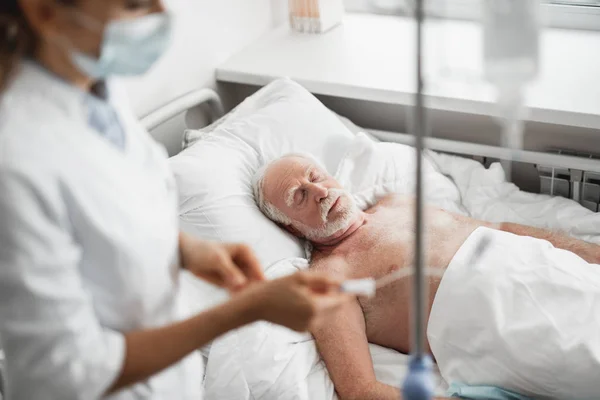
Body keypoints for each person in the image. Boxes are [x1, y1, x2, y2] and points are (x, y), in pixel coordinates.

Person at [0, 1, 351, 399]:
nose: (158, 15)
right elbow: (69, 370)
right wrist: (245, 311)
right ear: (45, 11)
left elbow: (116, 209)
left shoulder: (94, 88)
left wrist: (188, 249)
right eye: (134, 5)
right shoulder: (17, 163)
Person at [253, 153, 600, 400]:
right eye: (300, 196)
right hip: (505, 324)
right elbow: (362, 391)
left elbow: (503, 228)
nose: (320, 192)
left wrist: (588, 252)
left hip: (540, 265)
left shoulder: (397, 203)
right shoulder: (329, 279)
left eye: (315, 177)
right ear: (290, 226)